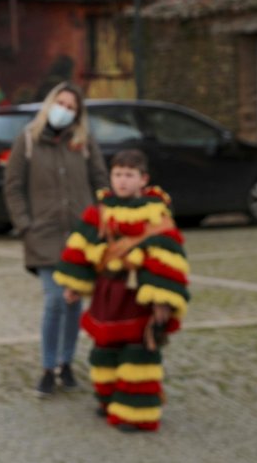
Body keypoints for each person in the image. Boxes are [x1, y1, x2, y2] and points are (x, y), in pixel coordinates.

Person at [54, 149, 189, 431]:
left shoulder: (156, 214)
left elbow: (167, 256)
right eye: (118, 174)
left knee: (138, 350)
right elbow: (81, 247)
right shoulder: (100, 211)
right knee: (104, 349)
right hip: (107, 292)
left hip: (138, 295)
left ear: (143, 179)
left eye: (129, 175)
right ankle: (109, 399)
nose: (122, 181)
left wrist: (161, 301)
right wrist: (74, 286)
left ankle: (135, 413)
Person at [3, 81, 109, 398]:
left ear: (78, 114)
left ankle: (66, 363)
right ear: (50, 104)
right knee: (54, 301)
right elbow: (13, 186)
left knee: (73, 303)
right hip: (44, 236)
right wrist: (25, 225)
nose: (65, 110)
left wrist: (101, 219)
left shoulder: (84, 142)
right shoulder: (28, 141)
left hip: (81, 237)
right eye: (61, 103)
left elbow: (101, 181)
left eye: (72, 106)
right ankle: (49, 367)